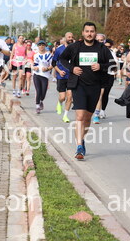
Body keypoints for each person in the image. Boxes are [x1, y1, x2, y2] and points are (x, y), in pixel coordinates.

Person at [60, 22, 115, 160]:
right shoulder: (75, 47)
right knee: (79, 116)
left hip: (95, 86)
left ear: (95, 33)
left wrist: (101, 66)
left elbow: (113, 65)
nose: (89, 34)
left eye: (92, 31)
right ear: (83, 33)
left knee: (87, 118)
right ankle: (79, 146)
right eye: (87, 31)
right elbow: (62, 59)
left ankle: (82, 139)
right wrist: (72, 68)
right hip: (79, 85)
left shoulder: (102, 48)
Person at [52, 33, 74, 123]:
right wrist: (59, 71)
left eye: (72, 37)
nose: (71, 38)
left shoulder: (76, 49)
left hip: (72, 76)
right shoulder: (59, 50)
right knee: (62, 97)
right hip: (61, 76)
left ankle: (65, 115)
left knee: (70, 96)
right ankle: (59, 102)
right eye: (69, 37)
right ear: (65, 38)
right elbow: (53, 63)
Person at [33, 40, 53, 113]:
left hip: (45, 75)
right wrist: (35, 68)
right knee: (38, 91)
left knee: (43, 92)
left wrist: (47, 69)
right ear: (38, 46)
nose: (41, 46)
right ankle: (37, 106)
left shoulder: (49, 55)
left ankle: (41, 101)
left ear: (45, 46)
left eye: (43, 45)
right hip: (37, 74)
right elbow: (34, 64)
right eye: (40, 45)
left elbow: (52, 65)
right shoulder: (36, 55)